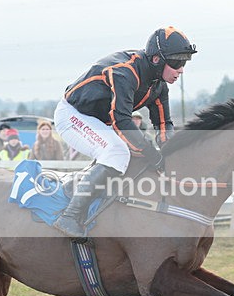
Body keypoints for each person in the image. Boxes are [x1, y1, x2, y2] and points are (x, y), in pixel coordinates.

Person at [52, 26, 197, 238]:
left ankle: (89, 196)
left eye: (184, 63)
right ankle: (70, 216)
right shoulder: (125, 72)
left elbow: (164, 126)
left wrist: (172, 155)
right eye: (176, 63)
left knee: (129, 153)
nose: (181, 70)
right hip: (73, 114)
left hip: (100, 119)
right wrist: (152, 153)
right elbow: (122, 121)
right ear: (156, 60)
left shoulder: (159, 87)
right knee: (116, 151)